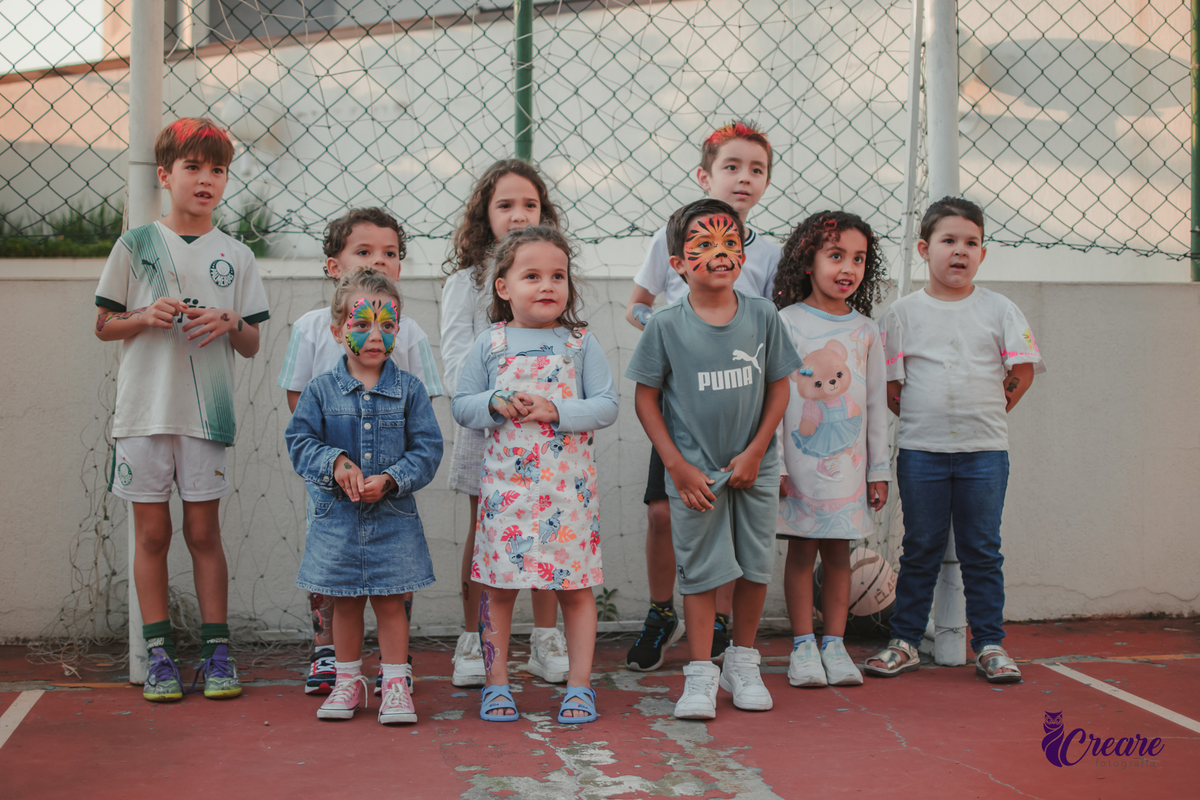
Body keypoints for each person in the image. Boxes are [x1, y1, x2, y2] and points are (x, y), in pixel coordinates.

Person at [94, 117, 270, 702]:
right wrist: (145, 316)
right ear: (165, 176)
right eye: (193, 168)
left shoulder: (237, 254)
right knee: (151, 535)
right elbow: (102, 325)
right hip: (143, 415)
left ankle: (218, 652)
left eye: (217, 170)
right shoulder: (135, 245)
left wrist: (229, 321)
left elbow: (252, 342)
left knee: (203, 531)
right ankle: (159, 652)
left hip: (206, 417)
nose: (206, 179)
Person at [625, 198, 802, 720]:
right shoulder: (665, 325)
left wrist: (755, 451)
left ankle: (742, 664)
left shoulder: (764, 316)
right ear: (677, 263)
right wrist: (677, 466)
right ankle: (700, 674)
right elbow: (645, 398)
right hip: (695, 474)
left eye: (729, 243)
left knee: (752, 565)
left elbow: (779, 386)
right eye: (703, 246)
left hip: (755, 468)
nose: (720, 254)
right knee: (701, 572)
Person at [864, 196, 1044, 684]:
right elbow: (891, 388)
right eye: (949, 241)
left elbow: (1022, 373)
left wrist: (983, 412)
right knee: (920, 546)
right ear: (925, 248)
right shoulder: (901, 314)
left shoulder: (1000, 309)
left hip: (985, 453)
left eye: (971, 243)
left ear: (982, 253)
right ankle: (905, 640)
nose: (960, 251)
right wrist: (932, 418)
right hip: (922, 452)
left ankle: (989, 643)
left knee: (982, 549)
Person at [623, 120, 780, 671]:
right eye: (731, 166)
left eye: (756, 170)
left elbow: (769, 335)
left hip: (738, 408)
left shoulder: (766, 254)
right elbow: (637, 306)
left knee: (736, 524)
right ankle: (663, 610)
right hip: (680, 409)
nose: (743, 178)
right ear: (705, 174)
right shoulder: (667, 242)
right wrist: (672, 334)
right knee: (667, 513)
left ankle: (720, 626)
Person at [452, 226, 617, 723]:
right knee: (499, 591)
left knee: (575, 589)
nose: (547, 285)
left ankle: (580, 686)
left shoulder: (580, 343)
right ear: (503, 287)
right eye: (532, 276)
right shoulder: (489, 343)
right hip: (508, 497)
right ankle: (497, 684)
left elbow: (607, 406)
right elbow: (462, 406)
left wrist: (557, 409)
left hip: (567, 497)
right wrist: (495, 402)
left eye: (558, 276)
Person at [277, 207, 442, 696]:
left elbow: (422, 409)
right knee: (330, 567)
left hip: (391, 486)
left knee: (397, 569)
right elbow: (298, 403)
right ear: (334, 266)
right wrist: (332, 461)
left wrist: (394, 472)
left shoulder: (407, 330)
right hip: (333, 483)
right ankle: (328, 651)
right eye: (364, 251)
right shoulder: (310, 328)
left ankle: (397, 661)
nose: (379, 261)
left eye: (390, 253)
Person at [441, 161, 567, 688]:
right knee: (486, 530)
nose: (519, 215)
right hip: (488, 432)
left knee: (548, 529)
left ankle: (544, 639)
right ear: (483, 214)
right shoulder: (465, 285)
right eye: (505, 205)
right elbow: (452, 366)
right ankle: (474, 640)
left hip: (544, 434)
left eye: (530, 205)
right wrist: (496, 398)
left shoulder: (550, 280)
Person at [772, 211, 890, 688]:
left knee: (839, 554)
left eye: (858, 259)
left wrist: (878, 469)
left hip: (849, 470)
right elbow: (775, 401)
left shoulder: (865, 331)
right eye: (836, 255)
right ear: (808, 260)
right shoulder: (784, 322)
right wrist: (776, 463)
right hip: (798, 467)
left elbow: (877, 403)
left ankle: (835, 645)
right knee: (801, 553)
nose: (848, 268)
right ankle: (803, 646)